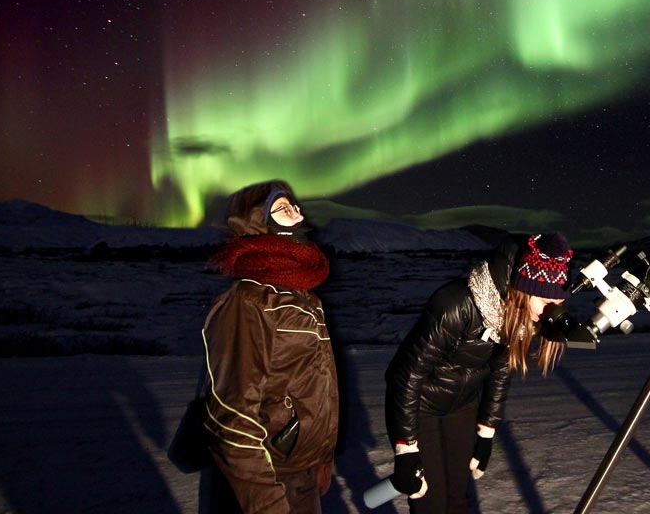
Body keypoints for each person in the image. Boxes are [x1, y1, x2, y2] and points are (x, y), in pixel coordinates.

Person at [384, 232, 574, 514]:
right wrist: (406, 449)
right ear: (524, 289)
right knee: (430, 503)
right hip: (419, 405)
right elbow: (407, 376)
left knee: (457, 499)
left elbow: (500, 371)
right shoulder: (457, 305)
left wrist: (486, 433)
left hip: (461, 404)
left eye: (557, 305)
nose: (550, 313)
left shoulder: (517, 314)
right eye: (547, 304)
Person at [200, 180, 338, 514]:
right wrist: (266, 503)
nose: (299, 212)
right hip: (267, 480)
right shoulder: (249, 302)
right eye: (284, 209)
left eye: (294, 206)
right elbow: (232, 417)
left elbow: (312, 383)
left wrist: (321, 457)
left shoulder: (302, 295)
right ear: (261, 225)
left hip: (301, 471)